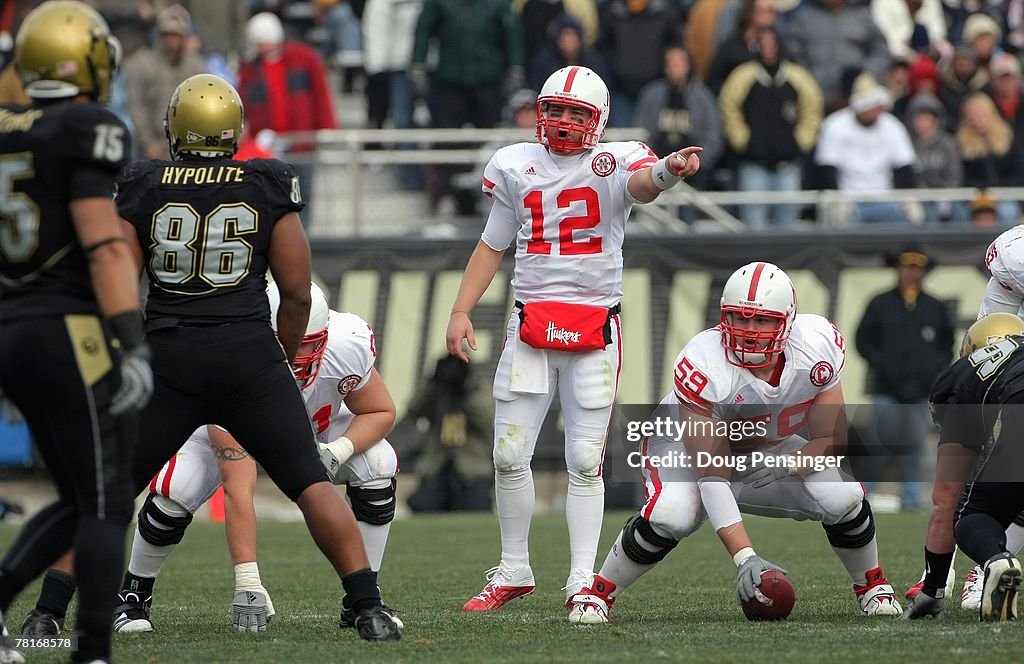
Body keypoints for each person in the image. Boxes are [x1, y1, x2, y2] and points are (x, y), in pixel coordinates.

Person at [20, 73, 400, 643]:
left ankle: (46, 612)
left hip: (169, 354)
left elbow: (119, 278)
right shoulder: (265, 181)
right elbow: (296, 292)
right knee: (310, 483)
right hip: (248, 355)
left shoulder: (145, 181)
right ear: (234, 129)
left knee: (110, 492)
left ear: (176, 125)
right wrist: (279, 355)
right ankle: (368, 609)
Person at [445, 65, 703, 614]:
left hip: (593, 329)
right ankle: (514, 568)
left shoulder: (614, 161)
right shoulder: (516, 164)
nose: (563, 123)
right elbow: (492, 245)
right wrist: (461, 309)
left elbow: (642, 185)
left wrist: (668, 172)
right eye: (555, 111)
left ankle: (583, 579)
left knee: (585, 459)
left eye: (576, 114)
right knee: (509, 453)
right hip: (529, 325)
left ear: (599, 120)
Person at [566, 262, 902, 624]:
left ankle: (872, 586)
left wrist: (786, 464)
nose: (750, 331)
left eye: (763, 321)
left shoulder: (817, 344)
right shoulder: (704, 361)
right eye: (740, 319)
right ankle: (598, 593)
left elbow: (828, 439)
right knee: (673, 513)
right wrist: (745, 556)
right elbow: (712, 474)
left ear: (787, 321)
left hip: (765, 446)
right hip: (680, 445)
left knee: (844, 496)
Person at [102, 283, 400, 633]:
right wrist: (248, 580)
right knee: (177, 490)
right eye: (291, 339)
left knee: (378, 462)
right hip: (227, 427)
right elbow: (238, 486)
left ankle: (363, 600)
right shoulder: (233, 359)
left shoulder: (346, 345)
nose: (301, 352)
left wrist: (339, 450)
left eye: (310, 341)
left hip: (311, 435)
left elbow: (380, 410)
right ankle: (134, 595)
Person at [0, 3, 153, 663]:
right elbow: (105, 248)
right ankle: (92, 649)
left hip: (9, 326)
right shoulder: (87, 125)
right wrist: (133, 342)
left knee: (78, 492)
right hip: (68, 329)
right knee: (106, 498)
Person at [901, 313, 1024, 622]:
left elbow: (945, 498)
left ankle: (997, 562)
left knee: (971, 516)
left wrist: (932, 590)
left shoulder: (962, 376)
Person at [855, 247, 954, 511]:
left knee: (914, 446)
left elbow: (947, 346)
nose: (911, 272)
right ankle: (862, 496)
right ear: (897, 269)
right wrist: (882, 364)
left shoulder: (935, 306)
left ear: (923, 271)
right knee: (878, 444)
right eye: (907, 266)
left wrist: (931, 371)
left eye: (917, 267)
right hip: (886, 388)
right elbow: (862, 340)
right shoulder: (879, 303)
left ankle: (910, 498)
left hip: (921, 391)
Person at [406, 356, 495, 512]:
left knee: (475, 515)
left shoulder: (479, 388)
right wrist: (433, 384)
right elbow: (414, 409)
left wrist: (465, 391)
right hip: (437, 468)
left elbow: (486, 417)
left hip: (472, 470)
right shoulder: (439, 390)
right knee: (424, 509)